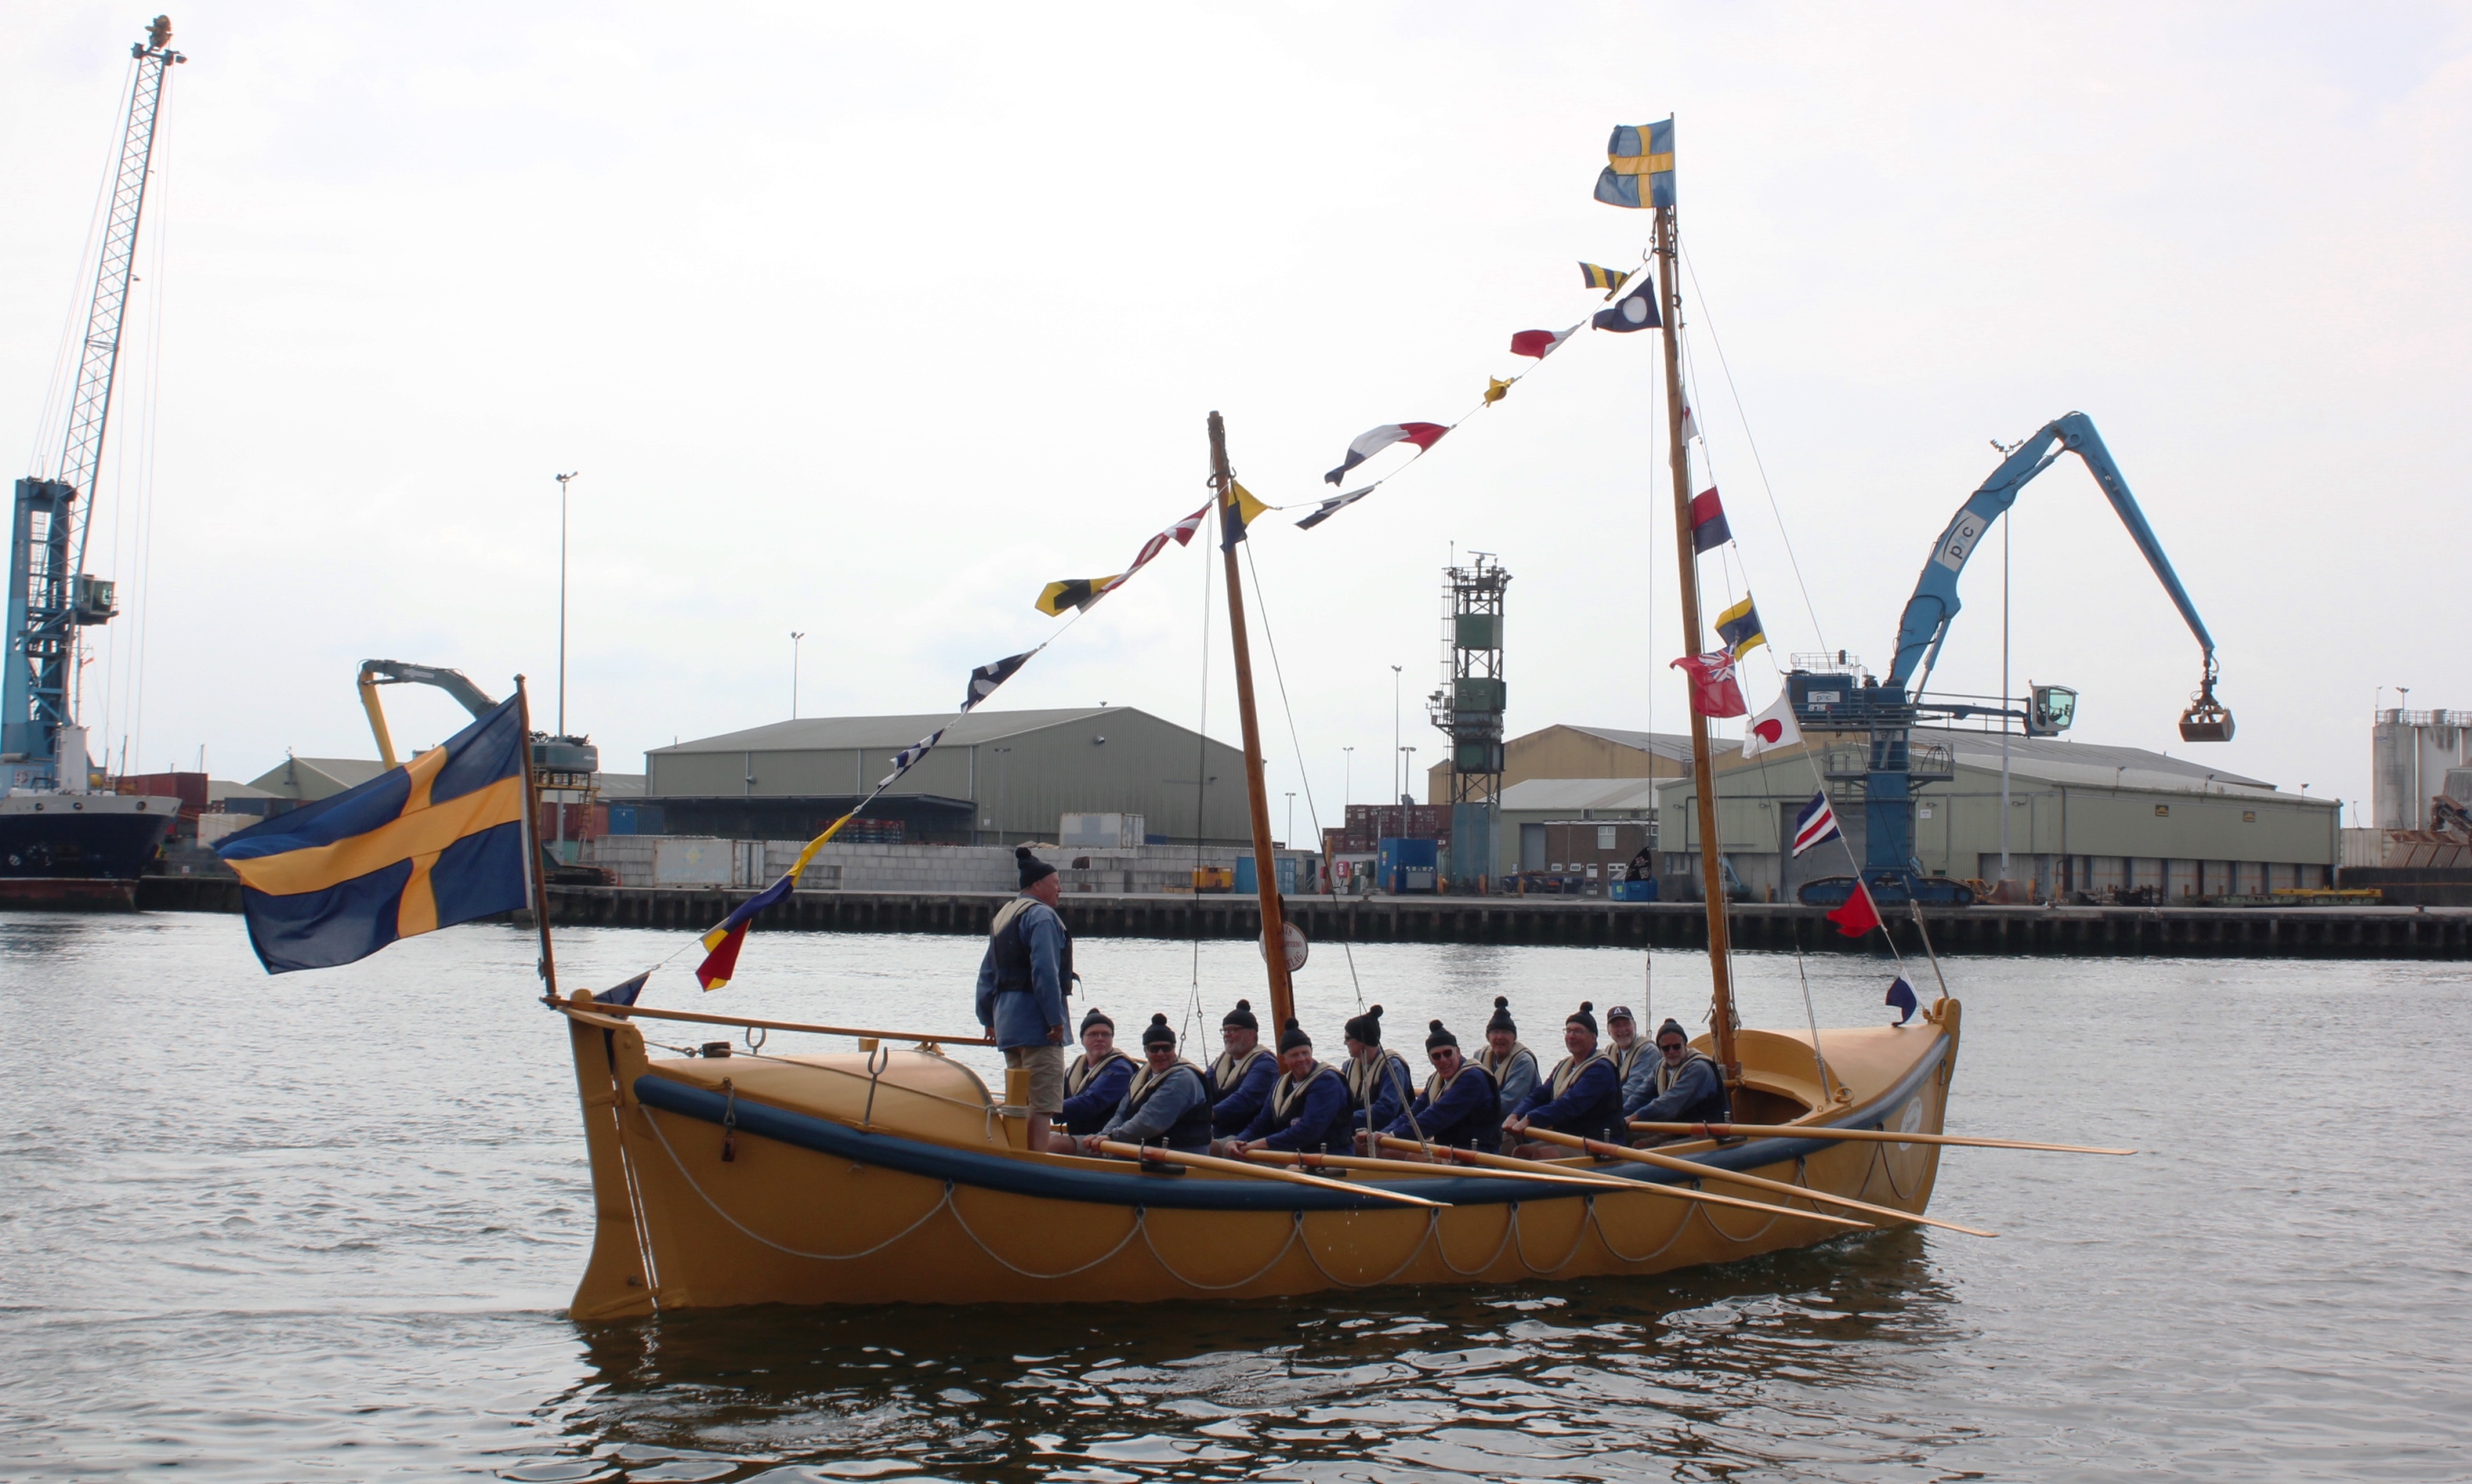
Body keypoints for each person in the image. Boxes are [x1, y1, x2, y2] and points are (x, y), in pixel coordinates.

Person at [974, 845, 1073, 1152]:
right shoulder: (1042, 916)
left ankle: (1014, 1153)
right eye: (1056, 882)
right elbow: (1044, 971)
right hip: (1037, 1027)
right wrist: (1055, 1019)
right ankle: (1035, 1162)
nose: (1060, 889)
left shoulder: (1005, 915)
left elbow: (987, 973)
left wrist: (988, 1018)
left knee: (1017, 1099)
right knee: (1042, 1103)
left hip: (1008, 1024)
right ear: (1037, 885)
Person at [1503, 1000, 1625, 1155]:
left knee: (1544, 1155)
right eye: (1568, 1031)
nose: (1571, 1036)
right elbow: (1540, 1095)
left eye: (1578, 1031)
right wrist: (1516, 1115)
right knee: (1520, 1152)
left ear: (1593, 1038)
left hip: (1598, 1140)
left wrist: (1530, 1119)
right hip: (1569, 1136)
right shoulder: (1564, 1065)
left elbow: (1570, 1104)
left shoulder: (1601, 1069)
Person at [1084, 1014, 1212, 1155]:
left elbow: (1151, 1120)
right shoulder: (1141, 1077)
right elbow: (1122, 1113)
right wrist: (1104, 1134)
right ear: (1145, 1051)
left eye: (1166, 1048)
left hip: (1180, 1155)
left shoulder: (1183, 1079)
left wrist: (1112, 1137)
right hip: (1145, 1150)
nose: (1161, 1053)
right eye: (1154, 1049)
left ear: (1174, 1048)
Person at [1371, 1019, 1500, 1153]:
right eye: (1436, 1056)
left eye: (1448, 1053)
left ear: (1458, 1051)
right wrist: (1384, 1133)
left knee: (1404, 1156)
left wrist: (1394, 1136)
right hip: (1448, 1146)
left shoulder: (1473, 1078)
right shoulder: (1434, 1079)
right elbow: (1412, 1113)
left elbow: (1436, 1116)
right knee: (1383, 1151)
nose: (1443, 1060)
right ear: (1430, 1059)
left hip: (1476, 1150)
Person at [1226, 1019, 1348, 1156]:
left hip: (1328, 1157)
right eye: (1295, 1055)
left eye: (1305, 1053)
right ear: (1284, 1059)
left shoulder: (1327, 1082)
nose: (1302, 1059)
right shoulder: (1280, 1085)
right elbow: (1261, 1124)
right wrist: (1240, 1140)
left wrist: (1258, 1144)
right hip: (1291, 1156)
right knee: (1231, 1152)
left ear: (1311, 1052)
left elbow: (1309, 1130)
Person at [1624, 1016, 1731, 1133]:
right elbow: (1640, 1096)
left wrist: (1635, 1117)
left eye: (1676, 1046)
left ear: (1685, 1045)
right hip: (1677, 1128)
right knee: (1624, 1136)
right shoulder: (1660, 1067)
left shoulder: (1699, 1069)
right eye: (1666, 1048)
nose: (1672, 1052)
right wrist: (1619, 1114)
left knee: (1641, 1145)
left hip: (1705, 1131)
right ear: (1660, 1050)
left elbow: (1670, 1102)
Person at [1338, 1004, 1414, 1139]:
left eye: (1348, 1038)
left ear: (1361, 1042)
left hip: (1390, 1136)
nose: (1345, 1042)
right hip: (1355, 1131)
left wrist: (1342, 1121)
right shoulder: (1348, 1067)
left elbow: (1386, 1110)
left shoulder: (1392, 1068)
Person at [1473, 996, 1538, 1150]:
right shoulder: (1479, 1057)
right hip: (1486, 1123)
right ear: (1487, 1037)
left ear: (1514, 1037)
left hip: (1519, 1129)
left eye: (1505, 1032)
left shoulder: (1523, 1062)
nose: (1500, 1037)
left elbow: (1509, 1103)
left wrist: (1467, 1112)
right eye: (1495, 1032)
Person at [1206, 998, 1279, 1137]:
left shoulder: (1265, 1064)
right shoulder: (1221, 1062)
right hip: (1217, 1133)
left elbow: (1245, 1098)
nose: (1227, 1034)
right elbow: (1202, 1085)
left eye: (1233, 1030)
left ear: (1251, 1034)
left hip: (1249, 1138)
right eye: (1225, 1030)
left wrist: (1210, 1114)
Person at [1059, 1007, 1136, 1137]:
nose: (1100, 1038)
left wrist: (1047, 1108)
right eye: (1093, 1034)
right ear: (1082, 1039)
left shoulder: (1120, 1070)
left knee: (1050, 1143)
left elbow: (1091, 1102)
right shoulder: (1077, 1068)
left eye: (1105, 1034)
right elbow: (1056, 1093)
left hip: (1105, 1140)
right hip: (1079, 1135)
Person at [1603, 1004, 1644, 1084]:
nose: (1622, 1029)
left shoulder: (1647, 1050)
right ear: (1608, 1030)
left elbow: (1635, 1086)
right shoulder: (1609, 1051)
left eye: (1626, 1024)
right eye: (1616, 1025)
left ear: (1634, 1025)